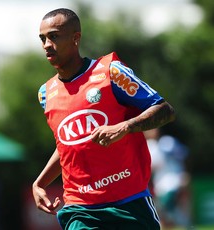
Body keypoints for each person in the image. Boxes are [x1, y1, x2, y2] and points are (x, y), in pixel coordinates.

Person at [32, 8, 176, 230]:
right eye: (42, 38)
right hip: (80, 208)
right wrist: (40, 182)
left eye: (53, 36)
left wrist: (126, 126)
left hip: (129, 202)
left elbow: (164, 110)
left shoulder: (111, 73)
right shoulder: (46, 93)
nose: (46, 45)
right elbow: (67, 145)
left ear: (75, 38)